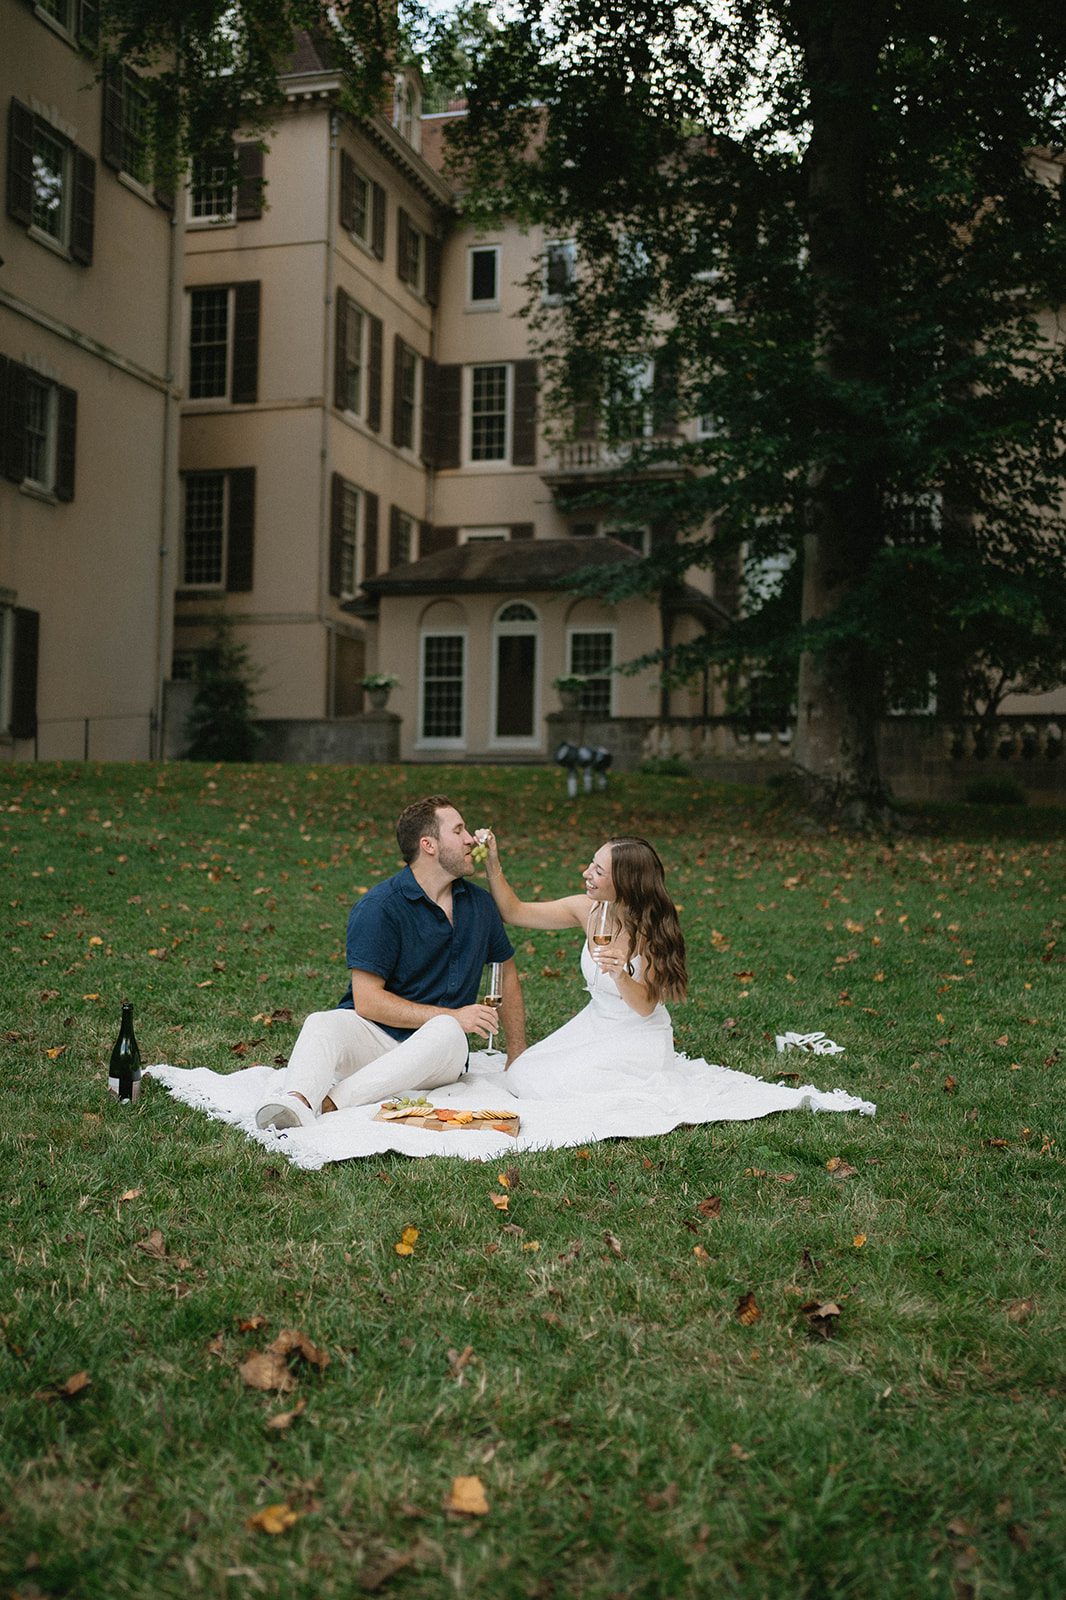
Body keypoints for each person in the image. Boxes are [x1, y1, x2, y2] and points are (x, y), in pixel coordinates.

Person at [255, 796, 526, 1130]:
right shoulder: (379, 907)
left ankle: (331, 1103)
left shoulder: (480, 906)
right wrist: (455, 1014)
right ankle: (294, 1103)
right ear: (429, 845)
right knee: (323, 1022)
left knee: (447, 1031)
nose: (471, 838)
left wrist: (517, 1052)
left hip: (439, 1055)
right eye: (459, 830)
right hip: (375, 1040)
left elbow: (507, 974)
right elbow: (367, 1002)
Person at [478, 830, 687, 1098]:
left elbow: (646, 1007)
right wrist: (492, 860)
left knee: (553, 1088)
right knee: (522, 1073)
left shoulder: (652, 931)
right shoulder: (588, 910)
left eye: (599, 871)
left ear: (625, 882)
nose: (586, 873)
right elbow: (513, 912)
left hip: (637, 1035)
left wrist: (621, 977)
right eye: (592, 864)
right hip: (595, 1024)